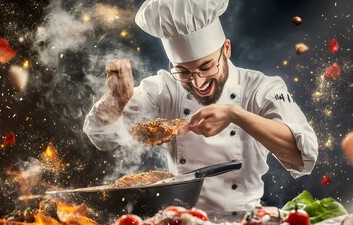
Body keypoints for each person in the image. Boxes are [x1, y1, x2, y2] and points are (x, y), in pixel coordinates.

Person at [83, 0, 318, 212]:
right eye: (183, 71)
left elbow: (304, 156)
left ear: (226, 50)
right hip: (179, 222)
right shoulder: (164, 88)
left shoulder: (260, 88)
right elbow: (102, 137)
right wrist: (115, 101)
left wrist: (235, 114)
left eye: (206, 67)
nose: (197, 82)